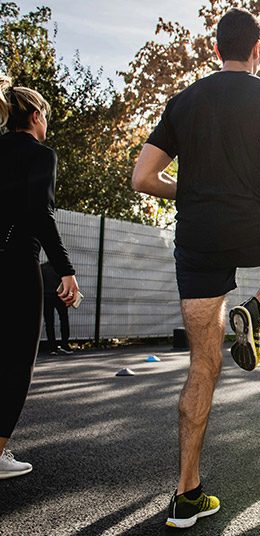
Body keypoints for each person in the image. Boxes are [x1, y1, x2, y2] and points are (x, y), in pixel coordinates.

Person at [131, 9, 260, 529]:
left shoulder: (183, 102)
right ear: (257, 51)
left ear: (216, 51)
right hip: (255, 227)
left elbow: (143, 177)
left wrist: (188, 191)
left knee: (202, 366)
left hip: (198, 239)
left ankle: (186, 494)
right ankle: (255, 307)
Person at [0, 76, 79, 479]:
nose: (46, 123)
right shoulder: (41, 154)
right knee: (16, 362)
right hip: (15, 265)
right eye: (45, 115)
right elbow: (40, 214)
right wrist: (66, 269)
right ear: (34, 116)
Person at [41, 261, 74, 355]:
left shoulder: (42, 268)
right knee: (64, 320)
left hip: (46, 297)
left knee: (49, 323)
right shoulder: (61, 267)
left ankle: (52, 348)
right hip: (60, 297)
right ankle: (64, 345)